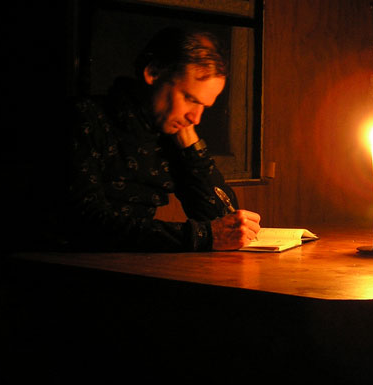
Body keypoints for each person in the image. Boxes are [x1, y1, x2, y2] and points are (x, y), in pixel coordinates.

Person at [59, 27, 260, 251]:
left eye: (203, 105)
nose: (196, 117)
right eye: (189, 98)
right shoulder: (85, 118)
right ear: (154, 72)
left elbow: (224, 220)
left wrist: (191, 147)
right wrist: (202, 236)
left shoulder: (169, 132)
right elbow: (86, 224)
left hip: (131, 269)